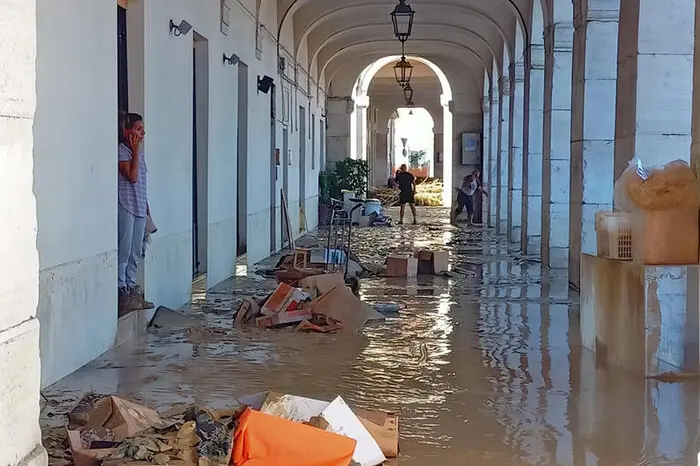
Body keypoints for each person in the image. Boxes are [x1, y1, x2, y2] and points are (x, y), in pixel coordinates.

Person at [118, 112, 154, 313]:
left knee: (136, 251)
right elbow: (132, 177)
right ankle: (121, 289)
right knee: (124, 248)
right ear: (127, 132)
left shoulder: (138, 155)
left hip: (140, 206)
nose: (142, 133)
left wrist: (148, 209)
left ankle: (131, 288)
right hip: (127, 205)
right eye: (139, 129)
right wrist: (134, 150)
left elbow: (141, 183)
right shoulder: (123, 152)